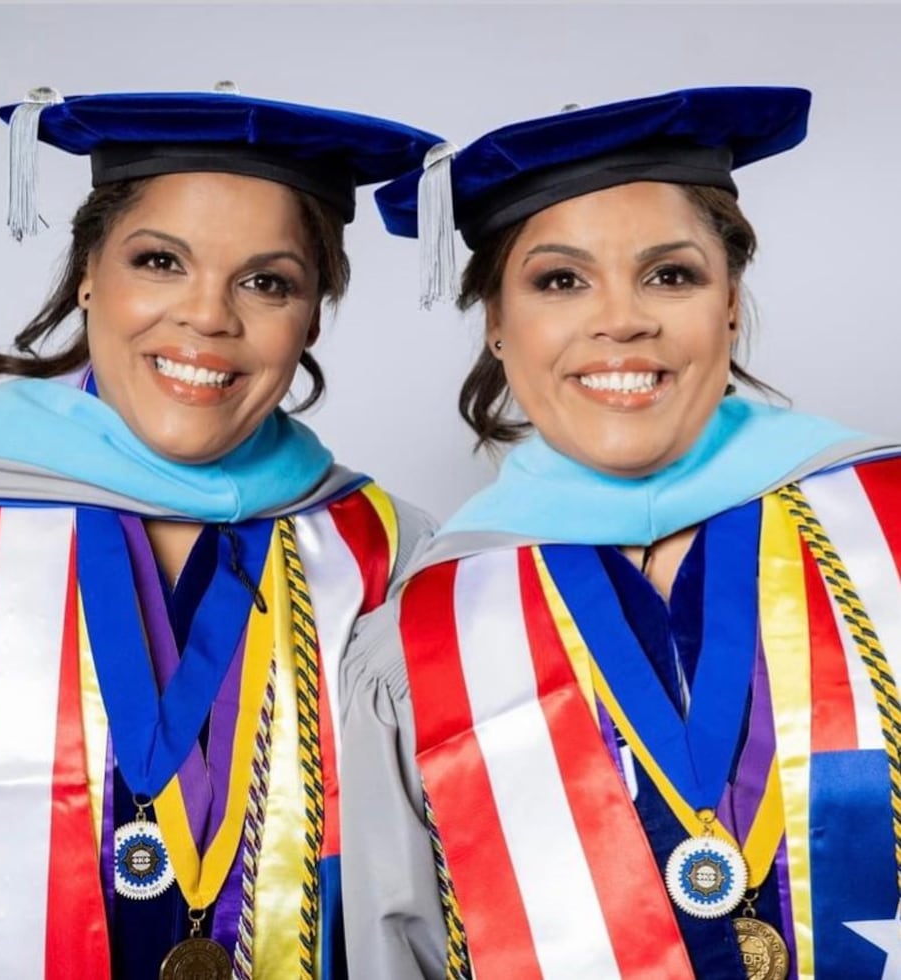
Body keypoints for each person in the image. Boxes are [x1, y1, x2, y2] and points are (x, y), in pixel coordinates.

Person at [339, 86, 901, 979]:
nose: (621, 319)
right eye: (560, 280)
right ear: (496, 324)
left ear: (729, 300)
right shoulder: (420, 636)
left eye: (669, 274)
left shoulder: (887, 528)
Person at [0, 83, 444, 980]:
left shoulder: (384, 554)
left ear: (313, 314)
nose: (208, 316)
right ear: (89, 272)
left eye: (267, 282)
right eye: (161, 262)